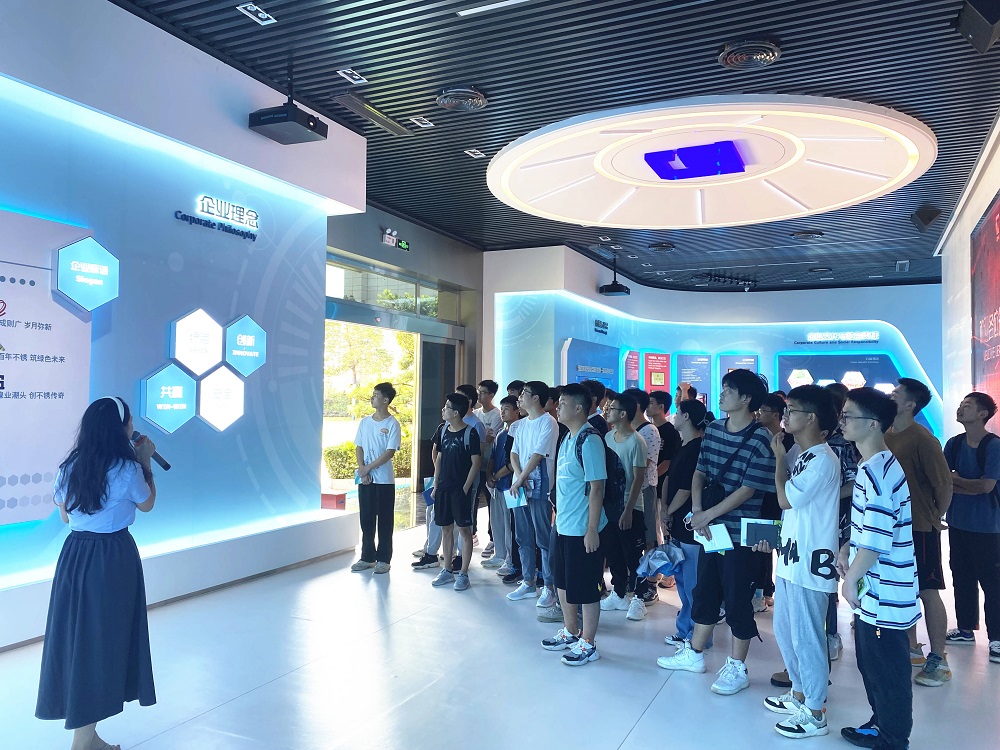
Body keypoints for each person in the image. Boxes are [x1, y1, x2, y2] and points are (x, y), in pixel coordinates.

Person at [36, 396, 157, 750]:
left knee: (80, 640)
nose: (132, 427)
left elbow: (65, 515)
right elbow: (147, 503)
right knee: (102, 644)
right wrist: (145, 460)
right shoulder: (128, 469)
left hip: (74, 556)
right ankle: (82, 743)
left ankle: (89, 739)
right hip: (112, 559)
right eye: (129, 422)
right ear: (120, 429)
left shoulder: (70, 466)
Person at [657, 369, 775, 697]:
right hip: (710, 531)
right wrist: (698, 510)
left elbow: (749, 489)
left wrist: (707, 514)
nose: (721, 395)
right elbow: (701, 472)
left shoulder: (761, 439)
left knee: (737, 598)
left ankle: (737, 666)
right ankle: (695, 652)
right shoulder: (715, 430)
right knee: (705, 589)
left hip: (741, 533)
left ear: (746, 398)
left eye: (728, 390)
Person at [837, 387, 919, 750]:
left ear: (873, 424)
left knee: (886, 671)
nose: (842, 422)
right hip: (879, 589)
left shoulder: (878, 472)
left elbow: (877, 539)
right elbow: (869, 529)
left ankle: (892, 738)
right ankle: (881, 724)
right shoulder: (873, 465)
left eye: (848, 416)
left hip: (885, 592)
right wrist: (847, 548)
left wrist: (850, 579)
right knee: (872, 665)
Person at [759, 385, 841, 739]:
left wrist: (779, 458)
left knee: (808, 636)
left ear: (811, 418)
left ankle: (816, 711)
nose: (785, 416)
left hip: (811, 561)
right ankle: (799, 692)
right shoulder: (803, 454)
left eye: (791, 410)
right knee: (786, 629)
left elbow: (786, 499)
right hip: (792, 556)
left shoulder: (822, 460)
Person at [884, 378, 953, 686]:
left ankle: (939, 658)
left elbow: (943, 484)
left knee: (927, 590)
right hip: (891, 526)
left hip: (920, 527)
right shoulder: (886, 434)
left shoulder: (922, 438)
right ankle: (912, 648)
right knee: (902, 589)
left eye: (896, 393)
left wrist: (935, 515)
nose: (890, 395)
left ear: (910, 404)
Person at [540, 383, 608, 666]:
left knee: (587, 587)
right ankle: (570, 631)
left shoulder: (590, 440)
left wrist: (592, 529)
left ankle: (589, 643)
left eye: (563, 403)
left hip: (583, 529)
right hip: (564, 525)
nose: (557, 407)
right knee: (563, 582)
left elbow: (597, 488)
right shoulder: (568, 437)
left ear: (579, 407)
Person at [943, 392, 1000, 665]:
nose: (960, 408)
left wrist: (957, 481)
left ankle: (997, 638)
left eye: (967, 405)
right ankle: (965, 629)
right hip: (958, 523)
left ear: (982, 414)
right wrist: (966, 484)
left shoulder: (993, 446)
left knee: (993, 582)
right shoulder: (954, 444)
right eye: (961, 404)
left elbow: (986, 486)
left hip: (988, 527)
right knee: (962, 576)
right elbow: (943, 481)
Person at [661, 398, 711, 649]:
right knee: (682, 580)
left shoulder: (697, 448)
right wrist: (664, 509)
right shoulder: (683, 445)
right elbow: (670, 480)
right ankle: (685, 630)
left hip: (690, 525)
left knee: (693, 584)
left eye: (677, 412)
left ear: (687, 416)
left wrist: (668, 511)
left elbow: (686, 489)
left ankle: (698, 635)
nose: (674, 416)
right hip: (678, 524)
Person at [507, 381, 559, 605]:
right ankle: (528, 581)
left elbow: (538, 454)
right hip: (518, 486)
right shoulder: (520, 424)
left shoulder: (548, 422)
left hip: (539, 486)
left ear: (536, 397)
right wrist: (519, 477)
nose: (520, 397)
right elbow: (514, 454)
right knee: (522, 536)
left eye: (524, 393)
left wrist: (522, 479)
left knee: (543, 537)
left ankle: (549, 586)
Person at [601, 393, 649, 622]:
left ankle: (639, 597)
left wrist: (629, 510)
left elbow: (638, 479)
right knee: (613, 552)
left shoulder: (637, 442)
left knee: (633, 555)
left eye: (612, 408)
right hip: (610, 504)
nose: (607, 410)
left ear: (623, 414)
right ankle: (619, 593)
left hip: (631, 506)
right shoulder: (607, 437)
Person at [429, 393, 482, 591]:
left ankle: (464, 573)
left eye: (447, 407)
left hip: (461, 490)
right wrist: (436, 485)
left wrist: (466, 487)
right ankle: (447, 569)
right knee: (446, 528)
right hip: (443, 488)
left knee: (465, 531)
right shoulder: (443, 430)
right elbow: (439, 457)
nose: (443, 410)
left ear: (456, 413)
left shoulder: (470, 433)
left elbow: (476, 462)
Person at [351, 383, 401, 574]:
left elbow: (389, 452)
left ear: (385, 400)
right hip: (365, 479)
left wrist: (368, 468)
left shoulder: (392, 424)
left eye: (376, 395)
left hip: (384, 480)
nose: (372, 398)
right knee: (366, 519)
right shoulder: (365, 422)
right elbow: (359, 446)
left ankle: (384, 559)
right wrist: (362, 470)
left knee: (385, 520)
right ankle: (367, 557)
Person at [484, 395, 520, 571]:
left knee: (511, 525)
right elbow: (492, 457)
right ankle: (499, 554)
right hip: (497, 486)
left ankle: (510, 559)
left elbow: (514, 463)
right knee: (497, 522)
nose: (503, 413)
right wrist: (489, 475)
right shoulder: (500, 433)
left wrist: (497, 475)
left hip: (511, 487)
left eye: (507, 409)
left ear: (517, 411)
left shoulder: (518, 432)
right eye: (502, 409)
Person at [475, 379, 504, 559]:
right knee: (472, 501)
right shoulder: (475, 413)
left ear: (491, 395)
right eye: (478, 391)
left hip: (489, 465)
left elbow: (489, 440)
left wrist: (482, 440)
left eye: (483, 392)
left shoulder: (497, 415)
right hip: (475, 464)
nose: (479, 395)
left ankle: (493, 538)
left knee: (491, 503)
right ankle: (472, 534)